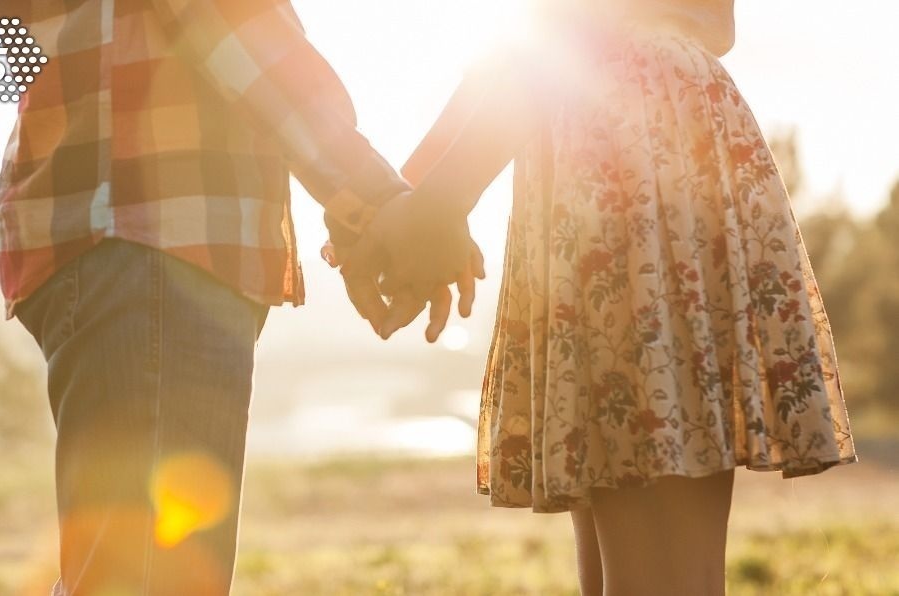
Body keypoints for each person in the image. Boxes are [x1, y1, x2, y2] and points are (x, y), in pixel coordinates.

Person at [340, 0, 858, 594]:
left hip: (632, 142)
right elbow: (523, 41)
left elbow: (570, 30)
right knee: (637, 564)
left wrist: (431, 206)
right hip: (599, 136)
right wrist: (402, 198)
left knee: (661, 575)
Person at [0, 0, 474, 593]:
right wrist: (370, 197)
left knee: (120, 570)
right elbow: (229, 22)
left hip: (109, 225)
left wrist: (363, 211)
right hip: (153, 223)